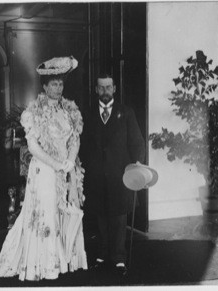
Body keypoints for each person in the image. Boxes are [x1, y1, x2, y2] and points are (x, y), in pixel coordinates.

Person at [0, 56, 87, 281]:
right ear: (45, 86)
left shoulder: (70, 110)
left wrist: (69, 162)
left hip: (67, 168)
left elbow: (74, 139)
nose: (58, 88)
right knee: (46, 214)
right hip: (45, 170)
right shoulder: (33, 113)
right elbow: (34, 147)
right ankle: (46, 264)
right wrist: (57, 165)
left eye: (60, 84)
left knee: (66, 211)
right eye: (53, 84)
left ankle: (65, 259)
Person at [80, 73, 145, 276]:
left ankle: (118, 258)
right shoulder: (88, 114)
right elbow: (82, 145)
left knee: (118, 217)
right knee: (101, 216)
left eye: (109, 87)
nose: (105, 91)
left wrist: (137, 164)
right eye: (101, 88)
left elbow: (137, 142)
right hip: (97, 176)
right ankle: (102, 255)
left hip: (120, 175)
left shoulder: (126, 113)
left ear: (114, 89)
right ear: (96, 90)